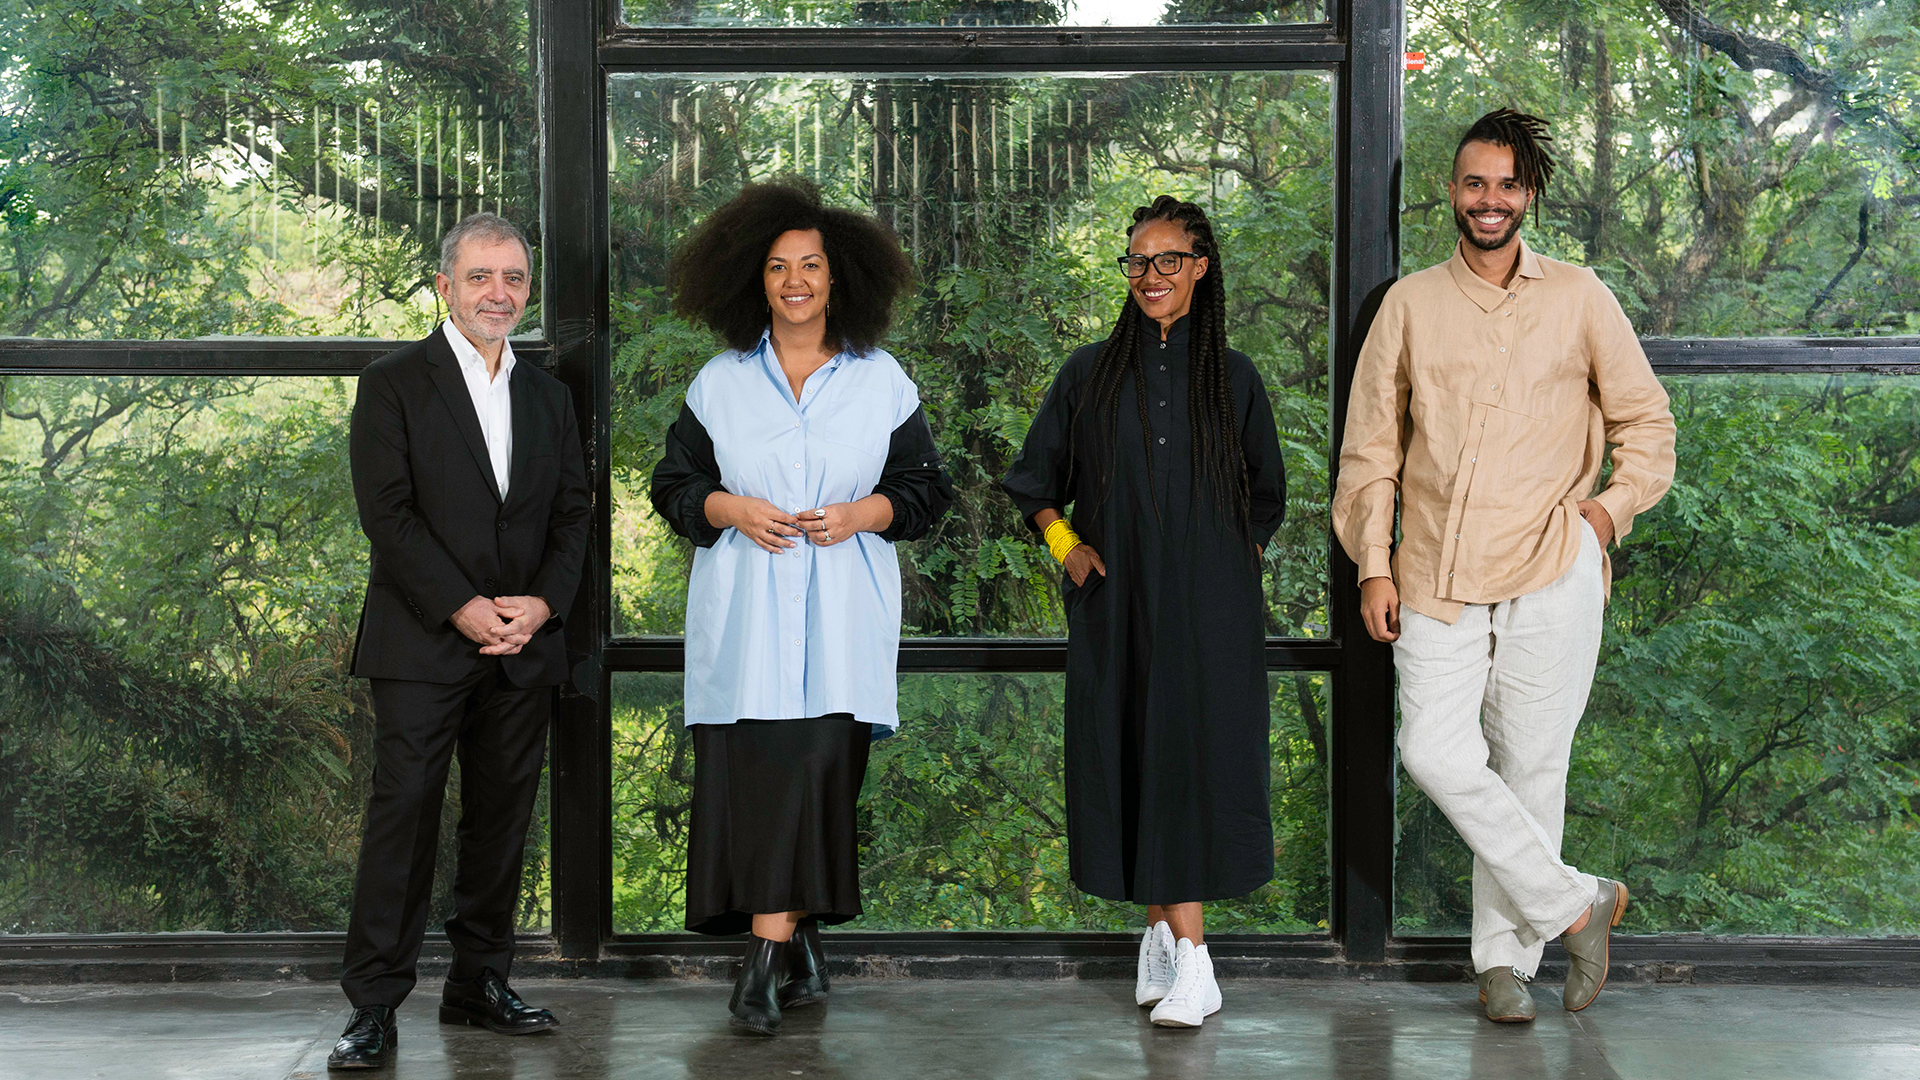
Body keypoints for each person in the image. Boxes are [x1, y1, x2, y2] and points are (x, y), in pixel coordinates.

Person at [1332, 109, 1676, 1023]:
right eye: (1475, 182)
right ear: (1452, 190)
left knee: (1532, 768)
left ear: (1531, 195)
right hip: (1432, 568)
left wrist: (1605, 515)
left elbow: (1647, 422)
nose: (1491, 199)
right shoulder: (1409, 305)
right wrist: (1373, 564)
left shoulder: (1581, 297)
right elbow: (1369, 450)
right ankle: (1578, 904)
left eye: (1508, 184)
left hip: (1551, 564)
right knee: (1432, 752)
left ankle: (1504, 967)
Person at [649, 179, 953, 1036]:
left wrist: (863, 514)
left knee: (817, 782)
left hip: (842, 627)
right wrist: (729, 508)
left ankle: (771, 958)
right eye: (779, 267)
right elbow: (672, 487)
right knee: (763, 795)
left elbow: (927, 492)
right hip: (744, 628)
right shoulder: (720, 383)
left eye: (811, 265)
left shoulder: (881, 381)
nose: (795, 281)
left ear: (837, 276)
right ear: (755, 278)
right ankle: (785, 956)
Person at [1001, 195, 1286, 1029]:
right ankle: (1167, 947)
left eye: (1168, 260)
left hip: (1209, 620)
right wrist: (1067, 547)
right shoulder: (1089, 374)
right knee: (1133, 760)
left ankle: (1191, 962)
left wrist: (1222, 568)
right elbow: (1034, 482)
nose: (1150, 275)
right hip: (1117, 608)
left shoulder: (1234, 378)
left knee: (1192, 766)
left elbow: (1266, 496)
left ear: (1200, 267)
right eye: (1137, 261)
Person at [329, 212, 590, 1070]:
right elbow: (387, 516)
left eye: (513, 278)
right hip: (421, 644)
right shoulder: (393, 383)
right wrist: (461, 607)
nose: (498, 293)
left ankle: (480, 983)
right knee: (403, 819)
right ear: (445, 286)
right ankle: (373, 1005)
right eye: (480, 276)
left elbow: (572, 517)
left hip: (523, 645)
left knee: (501, 823)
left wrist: (541, 607)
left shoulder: (550, 397)